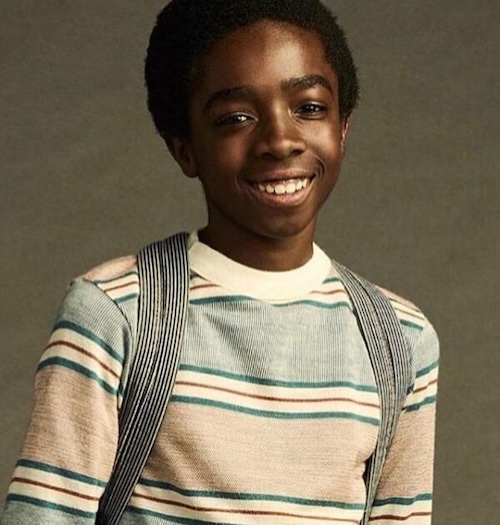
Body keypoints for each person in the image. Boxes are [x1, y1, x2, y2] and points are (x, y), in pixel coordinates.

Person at [1, 0, 439, 523]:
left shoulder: (400, 339)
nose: (280, 140)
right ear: (184, 147)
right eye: (236, 118)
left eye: (309, 108)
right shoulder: (118, 314)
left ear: (343, 127)